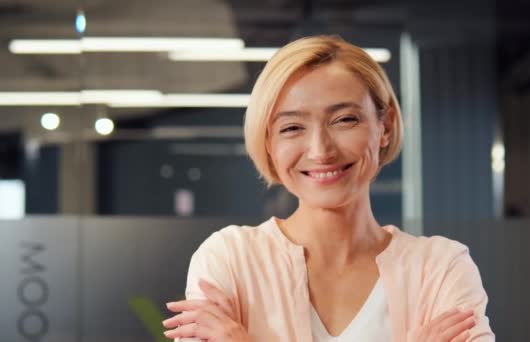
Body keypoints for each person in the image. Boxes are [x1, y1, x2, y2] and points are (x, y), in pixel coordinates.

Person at [162, 35, 495, 342]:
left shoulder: (441, 268)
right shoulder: (231, 259)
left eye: (344, 120)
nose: (320, 151)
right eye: (292, 127)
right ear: (269, 143)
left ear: (386, 126)